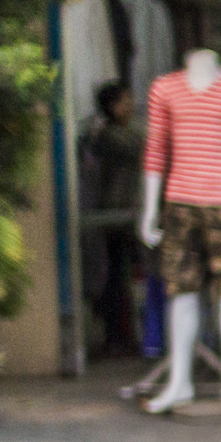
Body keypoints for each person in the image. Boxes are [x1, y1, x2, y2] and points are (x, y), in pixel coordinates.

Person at [80, 82, 146, 356]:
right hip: (116, 216)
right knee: (117, 277)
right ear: (113, 106)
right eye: (126, 100)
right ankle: (116, 335)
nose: (131, 105)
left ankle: (124, 334)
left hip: (123, 214)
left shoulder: (118, 134)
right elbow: (141, 148)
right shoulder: (111, 137)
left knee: (124, 275)